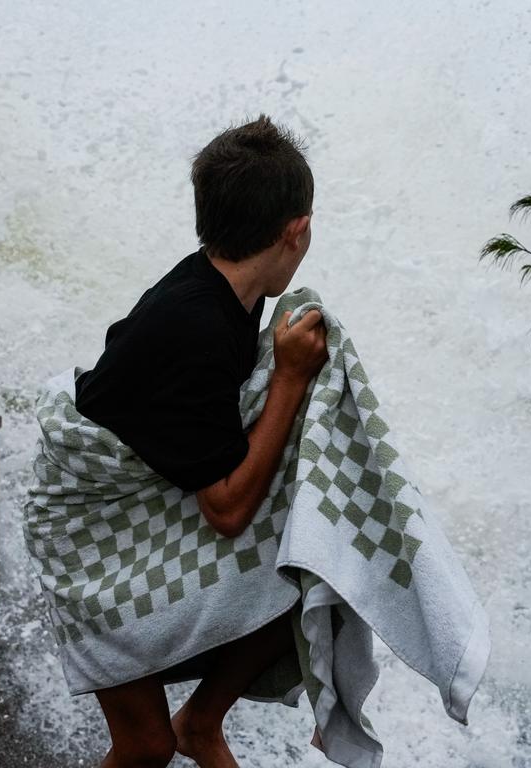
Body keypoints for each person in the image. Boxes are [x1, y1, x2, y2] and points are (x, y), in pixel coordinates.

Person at [73, 114, 328, 768]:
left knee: (300, 577)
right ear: (295, 231)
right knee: (143, 745)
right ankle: (186, 730)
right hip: (85, 535)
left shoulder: (231, 297)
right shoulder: (198, 326)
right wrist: (292, 379)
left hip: (147, 504)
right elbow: (226, 511)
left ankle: (203, 722)